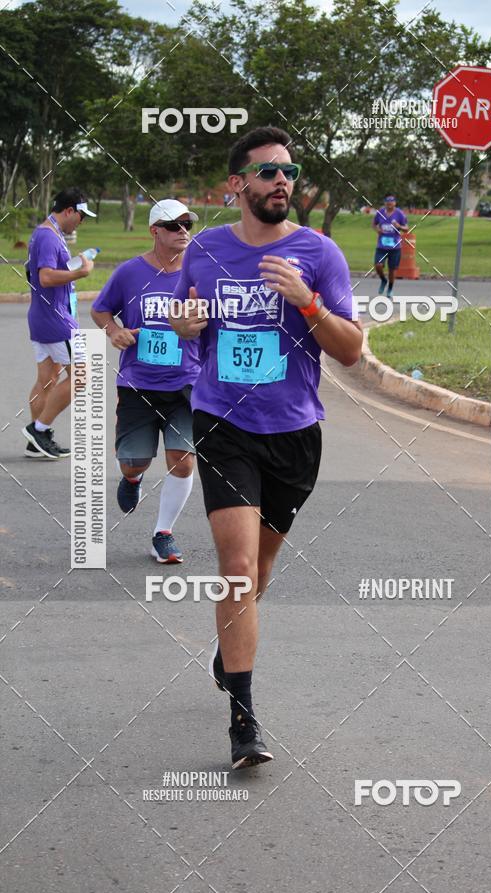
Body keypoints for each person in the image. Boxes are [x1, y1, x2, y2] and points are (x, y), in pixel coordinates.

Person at [169, 126, 362, 769]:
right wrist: (185, 327)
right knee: (239, 569)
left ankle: (230, 653)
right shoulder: (204, 252)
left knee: (262, 571)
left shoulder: (319, 253)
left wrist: (306, 302)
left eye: (290, 172)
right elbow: (184, 331)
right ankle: (244, 723)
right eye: (269, 173)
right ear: (237, 185)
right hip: (223, 422)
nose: (284, 182)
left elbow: (352, 351)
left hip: (295, 432)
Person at [91, 200, 201, 563]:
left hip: (187, 382)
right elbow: (100, 308)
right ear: (154, 230)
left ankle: (163, 533)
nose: (182, 230)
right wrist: (113, 330)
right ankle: (133, 479)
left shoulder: (201, 273)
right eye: (173, 225)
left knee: (182, 461)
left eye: (187, 224)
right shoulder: (129, 272)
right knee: (134, 460)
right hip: (138, 382)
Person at [21, 188, 96, 459]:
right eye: (81, 215)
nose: (81, 221)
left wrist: (71, 267)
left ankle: (35, 443)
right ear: (69, 211)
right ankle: (39, 429)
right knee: (81, 375)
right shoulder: (48, 236)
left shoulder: (48, 234)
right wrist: (80, 272)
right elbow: (46, 278)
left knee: (46, 380)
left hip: (42, 317)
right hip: (56, 320)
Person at [372, 195, 408, 298]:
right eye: (387, 202)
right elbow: (374, 224)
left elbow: (406, 228)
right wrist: (377, 229)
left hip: (395, 247)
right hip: (381, 247)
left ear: (395, 203)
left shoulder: (399, 214)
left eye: (391, 202)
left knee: (392, 270)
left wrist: (399, 226)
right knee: (378, 265)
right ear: (385, 203)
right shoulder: (380, 213)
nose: (389, 204)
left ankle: (390, 289)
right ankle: (383, 280)